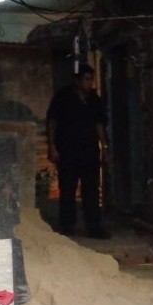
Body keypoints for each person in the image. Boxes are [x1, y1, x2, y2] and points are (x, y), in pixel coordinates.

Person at [46, 63, 111, 239]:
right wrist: (52, 146)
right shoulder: (63, 97)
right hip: (67, 150)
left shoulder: (94, 100)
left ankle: (94, 227)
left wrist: (104, 147)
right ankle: (67, 225)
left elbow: (99, 125)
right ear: (77, 81)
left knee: (91, 189)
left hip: (89, 151)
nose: (90, 83)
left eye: (92, 79)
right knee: (67, 188)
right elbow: (52, 121)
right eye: (87, 80)